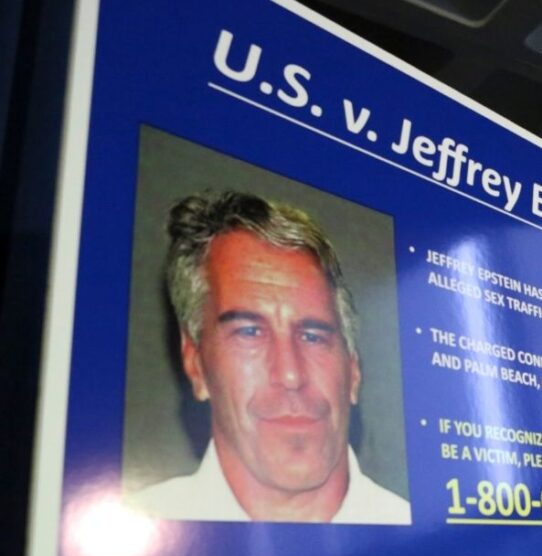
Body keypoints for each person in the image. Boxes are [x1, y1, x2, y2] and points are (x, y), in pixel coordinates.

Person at [130, 191, 410, 525]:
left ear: (353, 369)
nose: (290, 374)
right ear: (195, 364)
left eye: (313, 336)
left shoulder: (426, 537)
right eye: (249, 333)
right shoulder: (141, 525)